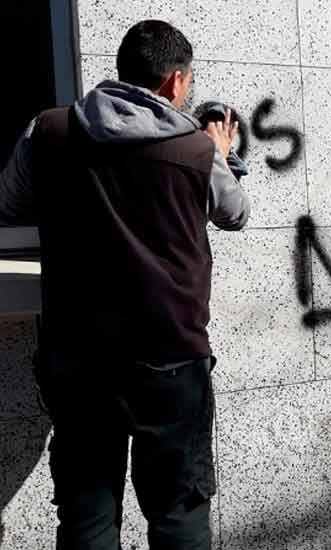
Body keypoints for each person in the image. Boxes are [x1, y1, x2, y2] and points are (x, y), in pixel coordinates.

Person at [0, 20, 250, 549]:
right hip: (171, 356)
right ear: (174, 82)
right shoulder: (195, 151)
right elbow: (235, 213)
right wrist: (220, 152)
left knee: (88, 518)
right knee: (177, 514)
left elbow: (10, 204)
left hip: (76, 356)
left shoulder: (48, 131)